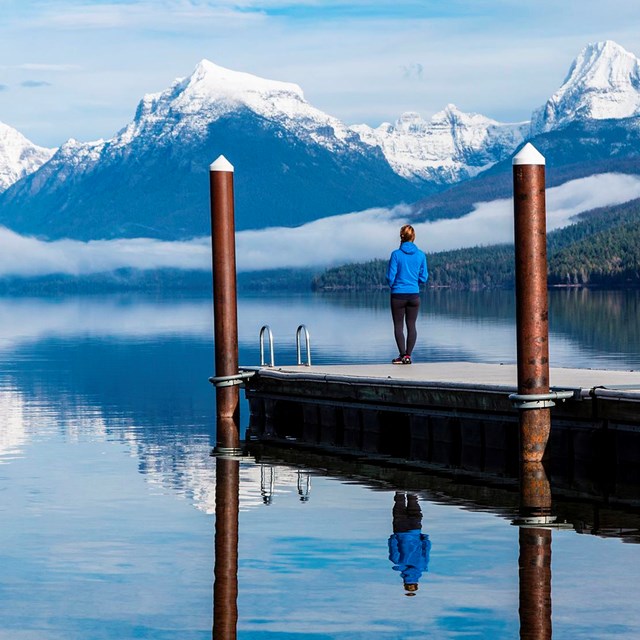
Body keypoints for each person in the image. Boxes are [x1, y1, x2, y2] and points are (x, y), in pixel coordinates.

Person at [386, 224, 428, 364]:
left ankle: (402, 355)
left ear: (401, 237)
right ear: (413, 237)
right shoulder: (421, 255)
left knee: (398, 326)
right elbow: (424, 277)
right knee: (412, 325)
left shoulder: (396, 254)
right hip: (413, 295)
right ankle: (408, 356)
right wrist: (414, 283)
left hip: (398, 295)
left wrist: (395, 286)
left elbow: (390, 277)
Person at [388, 492, 431, 596]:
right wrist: (394, 536)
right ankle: (399, 486)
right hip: (400, 529)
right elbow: (393, 546)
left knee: (413, 501)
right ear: (404, 582)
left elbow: (427, 548)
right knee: (399, 501)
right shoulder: (397, 563)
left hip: (415, 529)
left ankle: (411, 488)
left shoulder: (423, 565)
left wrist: (424, 538)